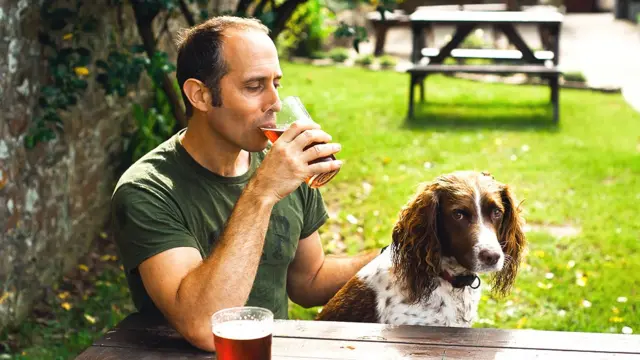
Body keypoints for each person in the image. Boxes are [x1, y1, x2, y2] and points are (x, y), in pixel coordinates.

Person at [110, 16, 380, 352]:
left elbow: (308, 281)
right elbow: (205, 329)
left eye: (276, 84)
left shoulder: (284, 165)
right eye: (254, 86)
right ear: (201, 96)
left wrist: (395, 255)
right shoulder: (147, 191)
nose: (275, 103)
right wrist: (262, 191)